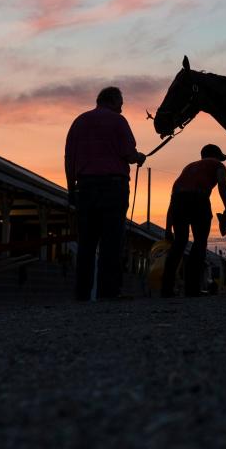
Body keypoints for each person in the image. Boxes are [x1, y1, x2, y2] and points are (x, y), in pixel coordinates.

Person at [65, 86, 146, 301]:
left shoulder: (79, 122)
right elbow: (128, 154)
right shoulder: (119, 122)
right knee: (112, 242)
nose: (122, 108)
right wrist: (139, 157)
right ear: (113, 101)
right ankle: (107, 293)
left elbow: (69, 158)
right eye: (121, 103)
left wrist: (70, 188)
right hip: (113, 187)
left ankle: (81, 294)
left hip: (85, 187)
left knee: (86, 243)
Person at [162, 144, 226, 298]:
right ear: (218, 156)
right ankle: (192, 289)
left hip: (178, 201)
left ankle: (166, 289)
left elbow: (173, 198)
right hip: (199, 199)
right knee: (200, 243)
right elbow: (222, 183)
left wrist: (168, 229)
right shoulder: (218, 165)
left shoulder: (189, 167)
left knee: (179, 242)